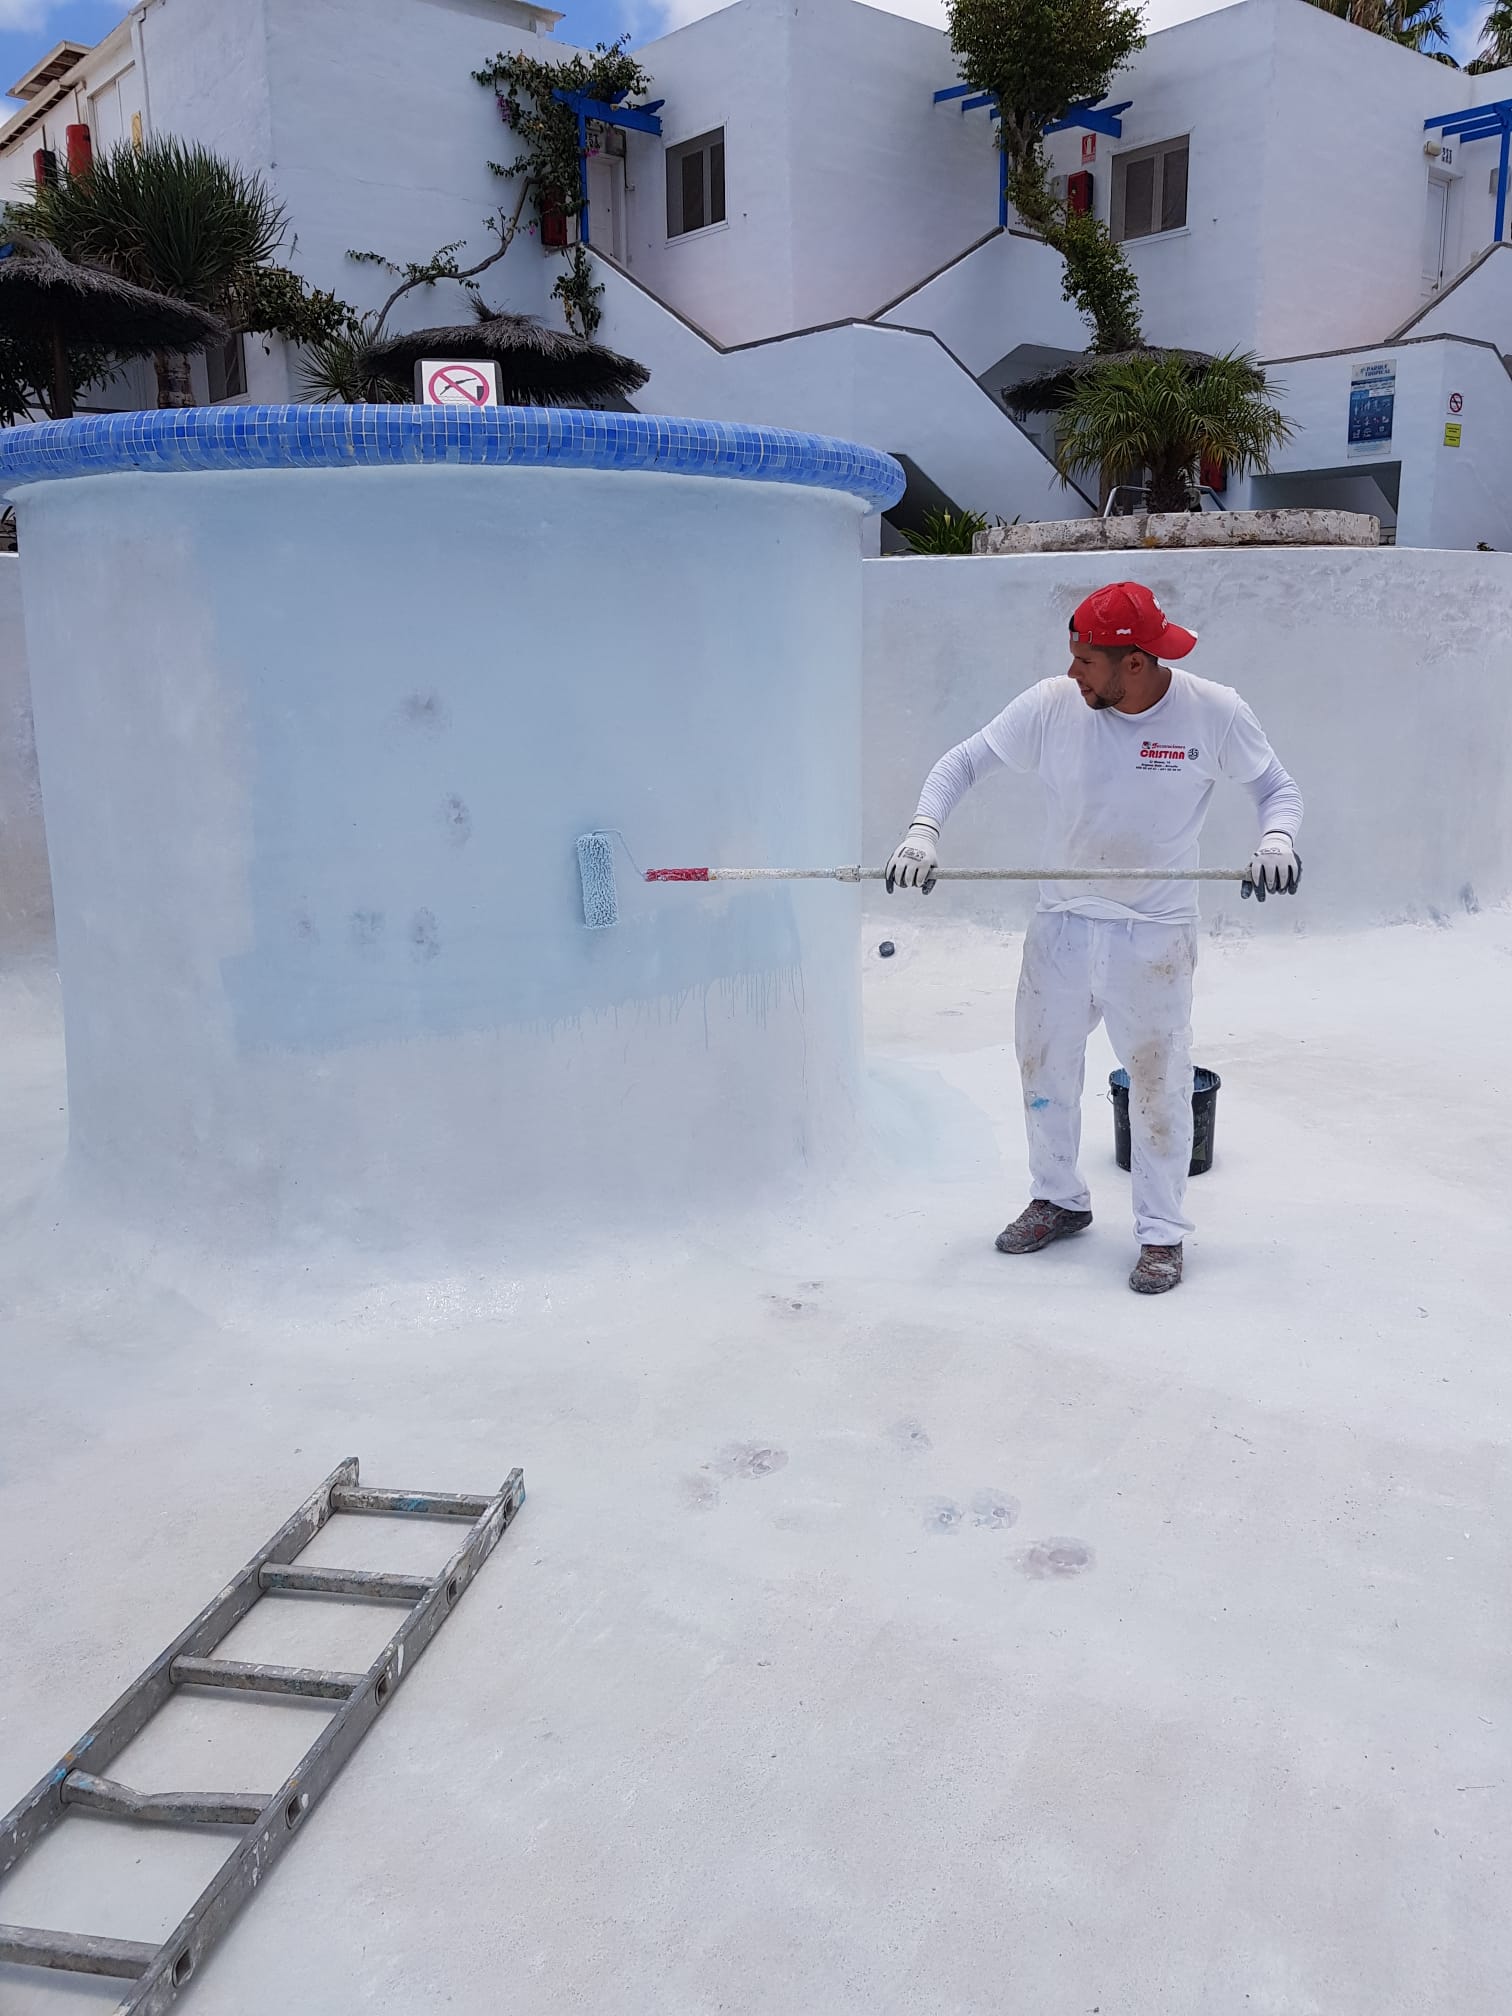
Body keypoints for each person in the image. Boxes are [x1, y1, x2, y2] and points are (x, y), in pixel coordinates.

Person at [885, 581, 1302, 1296]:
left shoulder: (1214, 711)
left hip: (1154, 934)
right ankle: (1058, 1199)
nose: (1071, 671)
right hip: (1063, 925)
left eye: (1085, 660)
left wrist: (1276, 840)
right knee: (1043, 1068)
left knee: (1158, 1084)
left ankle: (1161, 1234)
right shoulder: (1052, 705)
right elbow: (962, 763)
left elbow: (1276, 789)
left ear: (1134, 662)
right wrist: (923, 832)